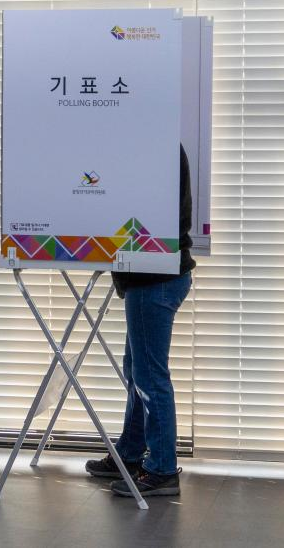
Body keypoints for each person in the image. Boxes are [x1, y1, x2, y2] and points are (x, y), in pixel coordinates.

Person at [85, 145, 196, 498]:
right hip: (153, 278)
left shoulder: (155, 147)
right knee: (137, 370)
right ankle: (130, 454)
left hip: (154, 279)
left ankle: (162, 468)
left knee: (149, 376)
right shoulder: (150, 145)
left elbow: (142, 214)